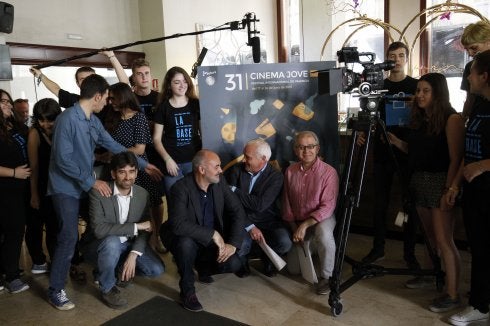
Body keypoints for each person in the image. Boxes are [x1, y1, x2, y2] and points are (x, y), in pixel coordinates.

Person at [46, 74, 162, 311]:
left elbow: (113, 146)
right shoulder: (67, 119)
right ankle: (56, 289)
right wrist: (91, 181)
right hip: (66, 188)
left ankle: (103, 272)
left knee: (99, 229)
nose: (108, 102)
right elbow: (62, 160)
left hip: (83, 184)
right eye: (107, 97)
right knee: (68, 237)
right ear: (97, 96)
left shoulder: (92, 120)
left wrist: (143, 165)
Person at [387, 73, 464, 313]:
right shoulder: (421, 119)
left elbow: (456, 158)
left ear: (438, 93)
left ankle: (452, 293)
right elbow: (415, 150)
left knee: (444, 240)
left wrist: (450, 188)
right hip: (420, 181)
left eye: (425, 91)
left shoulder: (452, 119)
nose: (419, 95)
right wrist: (395, 141)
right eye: (418, 90)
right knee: (431, 239)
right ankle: (433, 275)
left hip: (440, 182)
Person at [359, 42, 420, 270]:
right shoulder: (378, 86)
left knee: (409, 204)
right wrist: (362, 134)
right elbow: (367, 115)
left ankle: (410, 254)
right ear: (386, 59)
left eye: (401, 55)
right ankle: (378, 249)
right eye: (392, 56)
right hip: (383, 152)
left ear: (407, 58)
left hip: (407, 151)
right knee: (380, 204)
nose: (396, 59)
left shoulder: (416, 86)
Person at [161, 149, 245, 312]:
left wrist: (233, 244)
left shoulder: (219, 182)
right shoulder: (180, 188)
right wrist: (212, 234)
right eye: (217, 166)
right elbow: (178, 224)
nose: (221, 170)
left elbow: (237, 211)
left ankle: (201, 267)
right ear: (201, 169)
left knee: (234, 263)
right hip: (183, 236)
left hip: (207, 241)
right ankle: (187, 290)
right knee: (185, 244)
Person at [82, 151, 164, 309]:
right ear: (113, 174)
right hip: (99, 246)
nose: (128, 177)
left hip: (128, 244)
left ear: (137, 172)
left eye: (132, 171)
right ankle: (107, 287)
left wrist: (134, 255)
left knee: (156, 269)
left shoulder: (142, 194)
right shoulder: (98, 193)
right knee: (112, 242)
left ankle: (115, 268)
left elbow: (145, 229)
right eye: (122, 172)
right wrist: (136, 226)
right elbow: (99, 230)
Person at [447, 50, 490, 326]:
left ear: (485, 76)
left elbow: (478, 161)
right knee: (479, 247)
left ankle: (479, 304)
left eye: (472, 72)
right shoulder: (478, 105)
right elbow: (467, 151)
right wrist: (455, 183)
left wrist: (484, 165)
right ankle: (480, 301)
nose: (468, 78)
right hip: (474, 191)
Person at [103, 82, 164, 253]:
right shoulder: (111, 117)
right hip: (118, 168)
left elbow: (140, 149)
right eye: (109, 99)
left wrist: (116, 152)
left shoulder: (138, 117)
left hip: (139, 167)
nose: (110, 102)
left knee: (152, 201)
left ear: (123, 97)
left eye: (113, 98)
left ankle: (155, 236)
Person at [282, 131, 338, 295]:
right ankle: (311, 245)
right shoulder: (290, 171)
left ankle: (328, 276)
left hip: (322, 218)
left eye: (310, 146)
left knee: (323, 233)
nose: (306, 151)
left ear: (317, 148)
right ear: (295, 149)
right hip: (298, 220)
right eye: (301, 147)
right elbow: (286, 203)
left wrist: (305, 226)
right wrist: (294, 227)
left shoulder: (329, 172)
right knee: (293, 270)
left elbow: (328, 206)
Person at [225, 138, 292, 277]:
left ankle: (267, 259)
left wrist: (235, 190)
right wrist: (249, 226)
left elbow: (260, 205)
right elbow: (231, 204)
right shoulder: (236, 170)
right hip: (242, 219)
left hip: (267, 220)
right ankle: (243, 261)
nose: (244, 160)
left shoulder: (276, 177)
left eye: (248, 157)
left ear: (263, 159)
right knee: (241, 245)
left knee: (284, 242)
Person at [0, 89, 31, 293]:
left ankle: (10, 272)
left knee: (15, 232)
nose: (8, 105)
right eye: (3, 102)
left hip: (19, 189)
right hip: (4, 188)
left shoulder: (14, 126)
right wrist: (13, 172)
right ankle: (9, 276)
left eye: (8, 101)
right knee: (7, 232)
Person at [153, 66, 202, 197]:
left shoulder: (196, 104)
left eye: (185, 81)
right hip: (172, 163)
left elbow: (203, 134)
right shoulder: (163, 108)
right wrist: (167, 159)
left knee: (195, 202)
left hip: (194, 161)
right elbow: (156, 139)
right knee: (175, 203)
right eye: (177, 82)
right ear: (169, 85)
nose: (182, 85)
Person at [25, 98, 62, 275]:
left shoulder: (60, 131)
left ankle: (56, 261)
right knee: (35, 226)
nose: (45, 124)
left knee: (54, 226)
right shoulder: (34, 133)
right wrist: (34, 194)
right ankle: (38, 261)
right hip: (38, 185)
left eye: (49, 119)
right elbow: (34, 168)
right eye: (41, 120)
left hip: (56, 187)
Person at [29, 50, 129, 108]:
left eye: (91, 78)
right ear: (77, 83)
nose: (87, 82)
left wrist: (111, 56)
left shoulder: (107, 97)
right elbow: (56, 89)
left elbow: (124, 84)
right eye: (82, 79)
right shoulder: (73, 100)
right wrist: (41, 76)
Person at [460, 21, 490, 120]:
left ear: (488, 42)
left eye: (474, 48)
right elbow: (469, 99)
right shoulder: (470, 67)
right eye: (467, 50)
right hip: (477, 118)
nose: (470, 53)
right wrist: (462, 119)